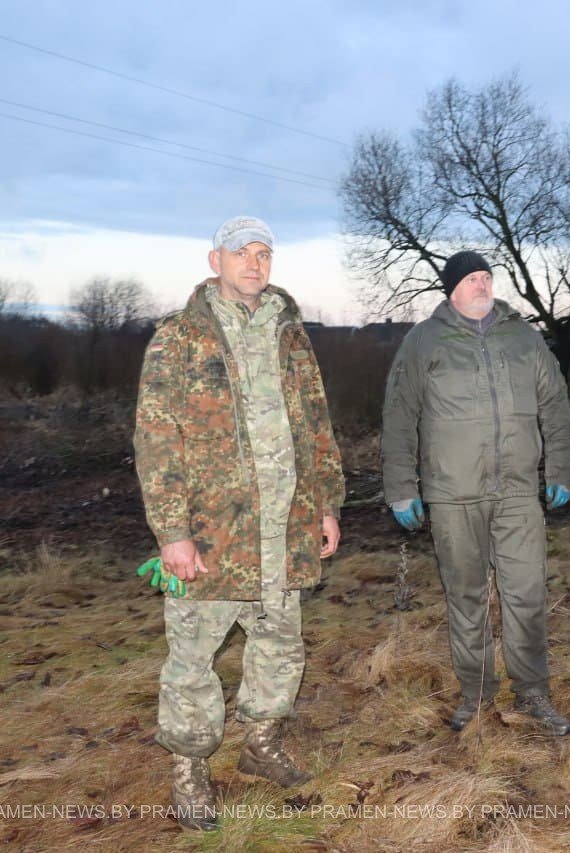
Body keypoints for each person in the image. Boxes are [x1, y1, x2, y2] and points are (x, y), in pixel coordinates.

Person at [134, 216, 344, 830]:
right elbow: (156, 439)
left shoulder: (291, 334)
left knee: (279, 645)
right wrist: (172, 531)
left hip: (285, 527)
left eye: (263, 253)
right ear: (215, 261)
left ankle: (261, 744)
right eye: (241, 253)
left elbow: (317, 425)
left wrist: (326, 505)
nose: (254, 263)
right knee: (193, 655)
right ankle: (189, 767)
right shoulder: (178, 338)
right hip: (211, 533)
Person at [381, 250, 570, 736]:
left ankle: (532, 693)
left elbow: (555, 404)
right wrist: (401, 487)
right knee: (466, 597)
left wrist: (561, 468)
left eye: (487, 277)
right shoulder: (424, 341)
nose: (482, 284)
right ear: (452, 289)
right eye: (472, 278)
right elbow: (400, 415)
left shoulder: (523, 338)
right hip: (453, 494)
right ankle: (478, 693)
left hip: (517, 492)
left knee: (527, 594)